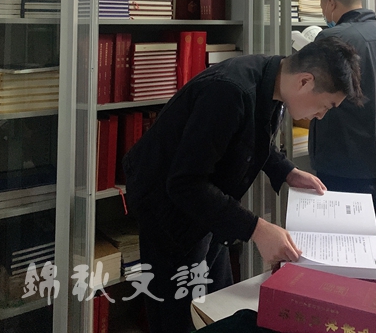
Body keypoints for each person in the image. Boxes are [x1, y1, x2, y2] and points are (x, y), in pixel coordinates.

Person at [123, 37, 362, 333]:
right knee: (178, 317)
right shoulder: (229, 92)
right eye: (325, 106)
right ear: (305, 81)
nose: (321, 116)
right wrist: (257, 229)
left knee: (218, 306)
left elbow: (250, 138)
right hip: (168, 212)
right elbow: (185, 184)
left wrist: (287, 171)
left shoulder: (273, 81)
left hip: (209, 209)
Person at [308, 0, 376, 264]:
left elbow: (314, 93)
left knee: (343, 243)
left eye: (323, 7)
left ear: (330, 3)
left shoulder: (331, 38)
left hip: (342, 160)